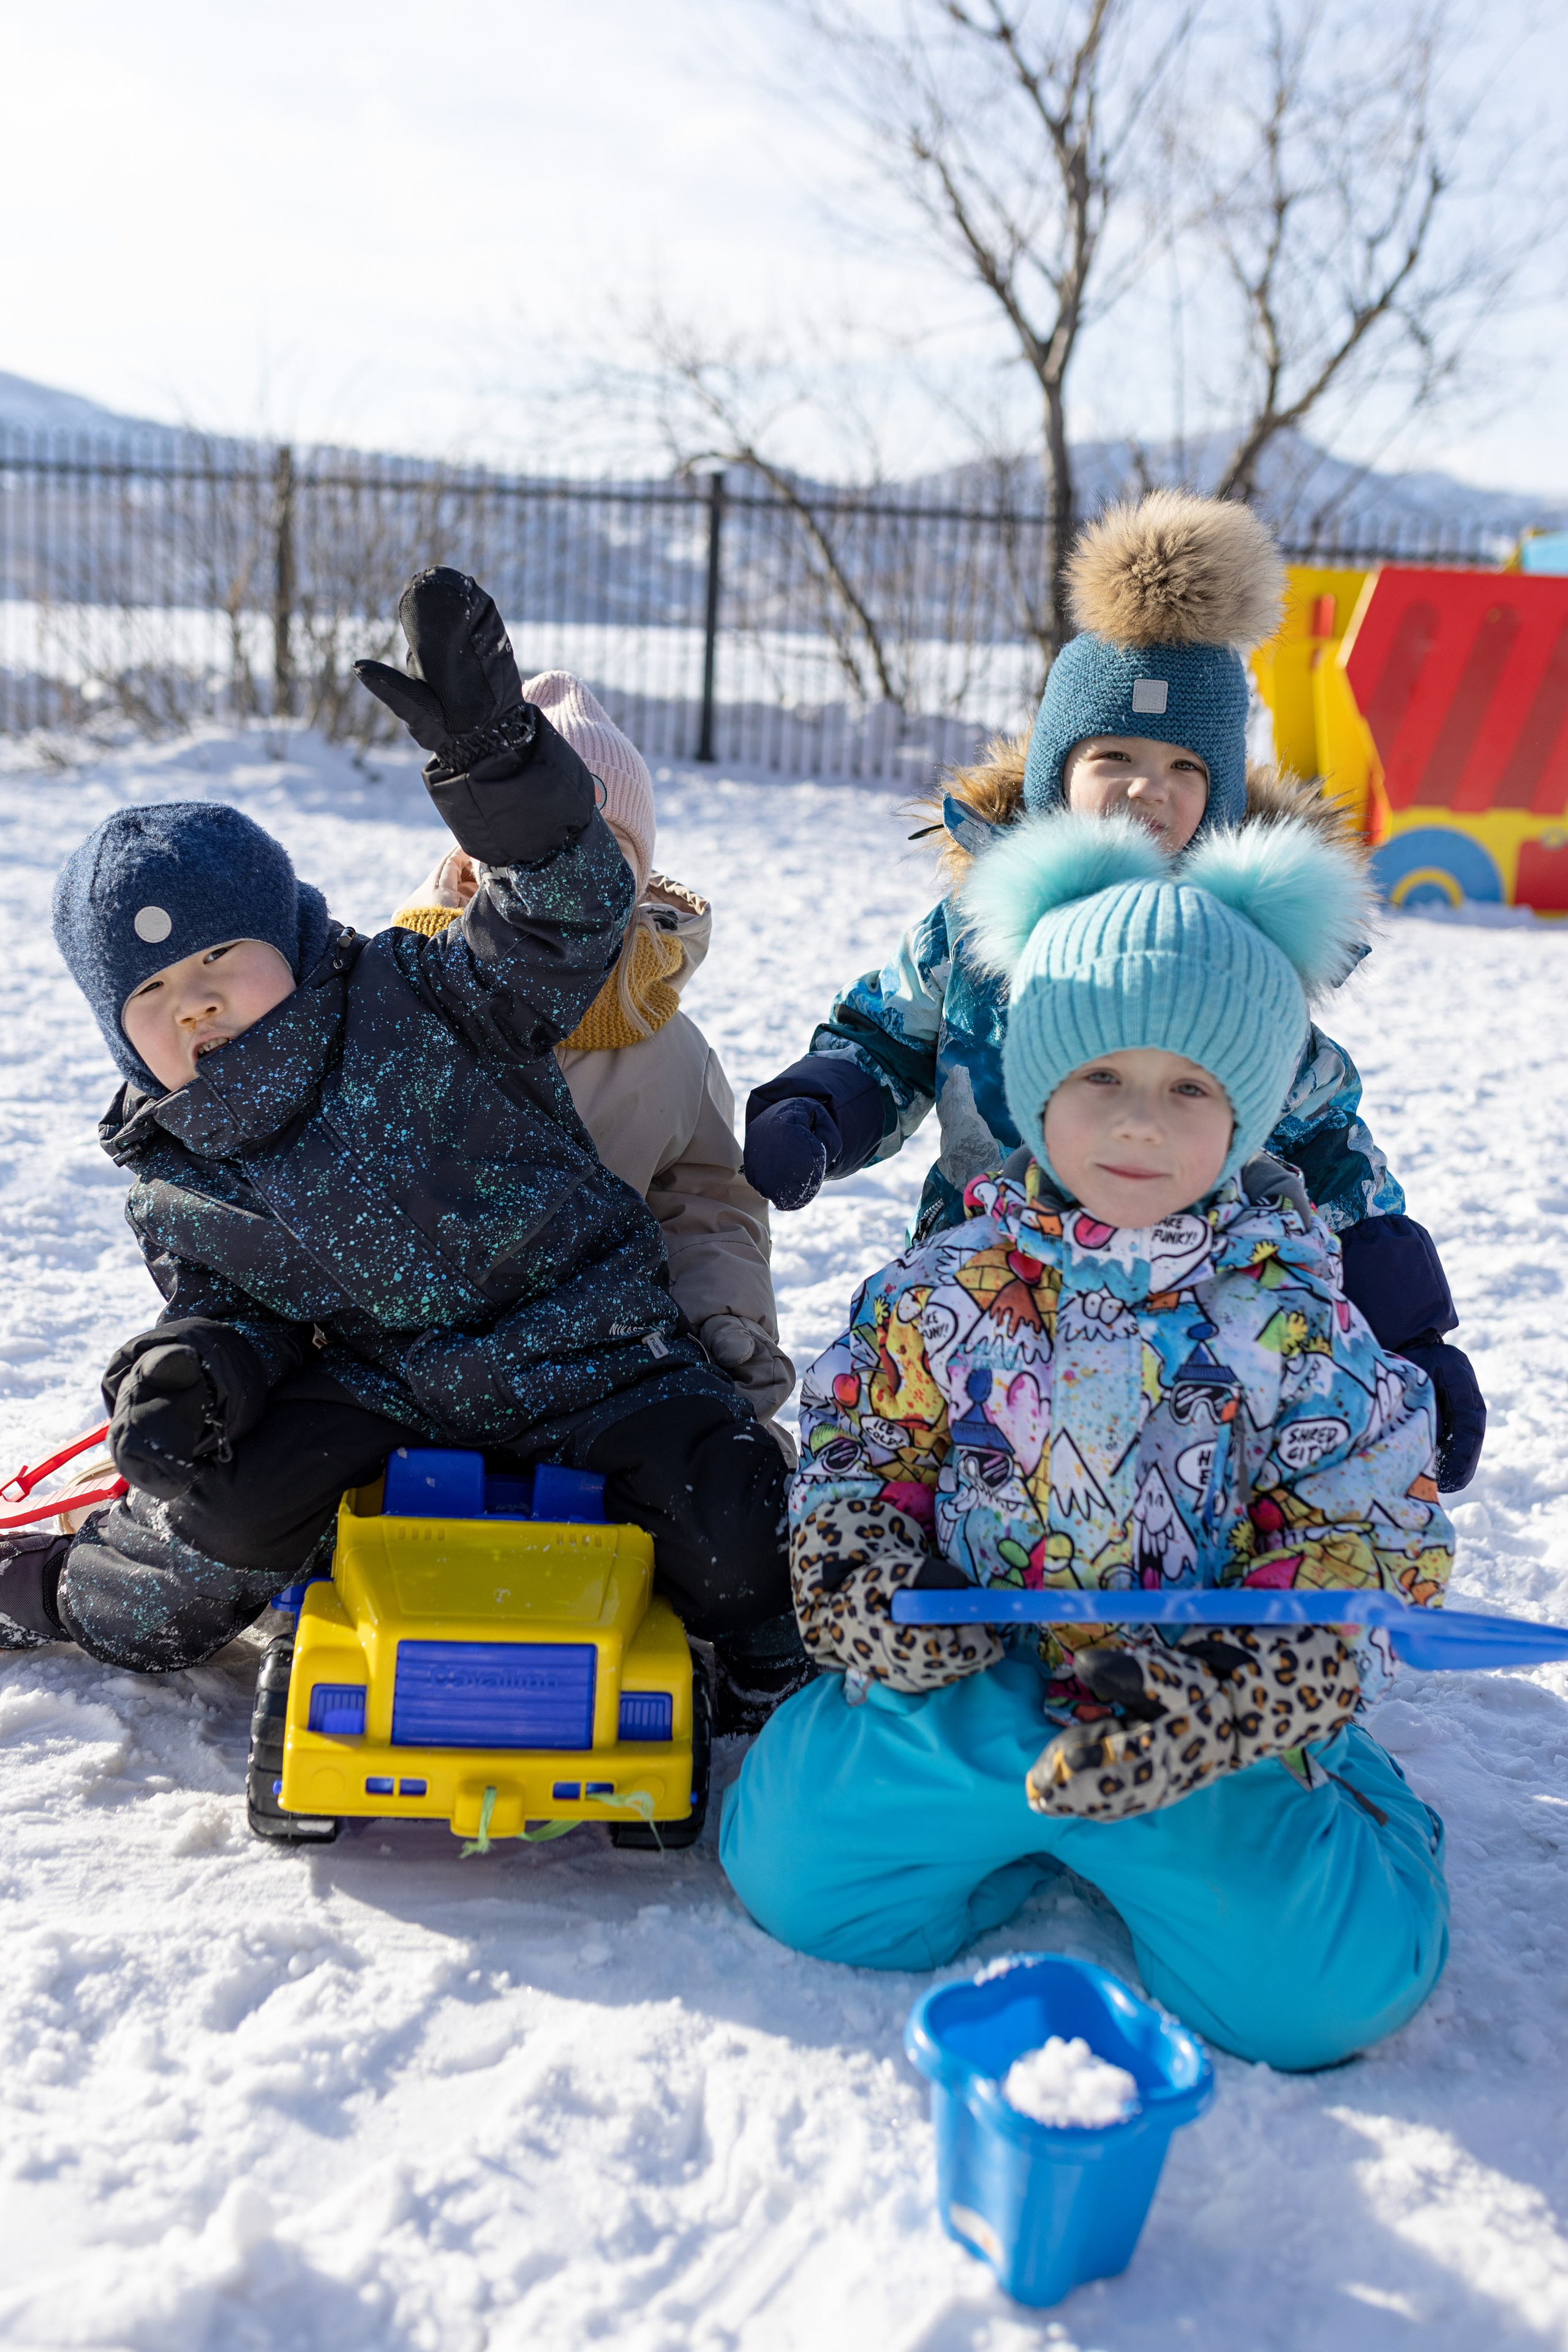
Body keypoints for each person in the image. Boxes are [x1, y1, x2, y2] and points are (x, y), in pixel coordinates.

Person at [0, 568, 805, 1734]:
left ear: (288, 933)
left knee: (729, 1514)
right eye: (155, 993)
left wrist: (503, 776)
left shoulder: (423, 993)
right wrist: (197, 1370)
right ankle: (56, 1589)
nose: (198, 1005)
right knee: (220, 1513)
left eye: (222, 958)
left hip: (592, 1350)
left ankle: (772, 1649)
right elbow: (238, 1310)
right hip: (380, 1386)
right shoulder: (181, 1165)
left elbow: (566, 916)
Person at [720, 803, 1453, 2072]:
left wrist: (1244, 1687)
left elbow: (1363, 1526)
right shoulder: (943, 1287)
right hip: (972, 1689)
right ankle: (1008, 1825)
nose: (1137, 1124)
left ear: (1250, 1115)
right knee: (792, 1876)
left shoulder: (1293, 1313)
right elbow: (859, 1451)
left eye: (1189, 1088)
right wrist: (857, 1570)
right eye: (1099, 1076)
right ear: (1032, 1087)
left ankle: (1335, 1816)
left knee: (1318, 1997)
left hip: (1189, 1730)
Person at [742, 489, 1485, 1493]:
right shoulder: (977, 938)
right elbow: (888, 1036)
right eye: (1115, 758)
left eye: (1186, 766)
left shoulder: (1238, 956)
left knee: (1155, 1488)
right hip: (982, 1287)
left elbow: (1324, 1138)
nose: (1149, 787)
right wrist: (821, 1106)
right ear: (1057, 772)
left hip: (1198, 1303)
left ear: (1219, 791)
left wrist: (1412, 1327)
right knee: (967, 1479)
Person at [385, 668, 796, 1460]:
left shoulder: (664, 1044)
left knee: (742, 1487)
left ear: (639, 883)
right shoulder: (405, 998)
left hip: (602, 1366)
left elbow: (709, 1206)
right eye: (541, 847)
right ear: (473, 868)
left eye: (604, 854)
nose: (570, 876)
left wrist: (724, 1325)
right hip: (417, 1363)